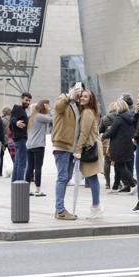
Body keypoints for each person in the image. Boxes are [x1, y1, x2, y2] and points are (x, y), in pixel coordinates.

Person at [52, 83, 83, 220]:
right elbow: (58, 107)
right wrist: (69, 97)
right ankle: (60, 210)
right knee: (62, 178)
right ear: (70, 89)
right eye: (77, 90)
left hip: (71, 148)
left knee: (66, 178)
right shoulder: (63, 99)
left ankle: (59, 209)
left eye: (81, 91)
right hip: (62, 146)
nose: (78, 93)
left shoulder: (76, 105)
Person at [74, 90, 104, 218]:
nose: (82, 98)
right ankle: (96, 206)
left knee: (92, 178)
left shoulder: (87, 112)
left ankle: (96, 207)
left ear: (90, 99)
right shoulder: (89, 111)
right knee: (91, 178)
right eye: (81, 96)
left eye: (86, 96)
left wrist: (78, 150)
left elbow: (84, 133)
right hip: (92, 146)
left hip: (90, 148)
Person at [102, 100, 137, 194]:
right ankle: (115, 187)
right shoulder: (130, 117)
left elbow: (111, 132)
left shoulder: (119, 118)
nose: (115, 109)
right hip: (128, 145)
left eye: (117, 107)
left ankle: (133, 184)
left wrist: (102, 136)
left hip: (118, 146)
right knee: (119, 166)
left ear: (119, 107)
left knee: (119, 165)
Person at [26, 100, 52, 196]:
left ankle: (26, 189)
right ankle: (38, 190)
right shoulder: (39, 116)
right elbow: (52, 119)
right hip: (38, 146)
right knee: (38, 167)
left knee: (30, 167)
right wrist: (49, 110)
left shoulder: (31, 117)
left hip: (29, 145)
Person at [10, 92, 32, 182]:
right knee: (22, 163)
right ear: (21, 99)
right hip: (21, 139)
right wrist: (16, 123)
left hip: (19, 139)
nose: (28, 102)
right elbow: (13, 119)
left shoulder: (21, 109)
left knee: (18, 162)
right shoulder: (18, 108)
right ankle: (19, 183)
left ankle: (15, 182)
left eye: (29, 101)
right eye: (26, 100)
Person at [0, 107, 12, 177]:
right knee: (13, 156)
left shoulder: (2, 120)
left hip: (3, 141)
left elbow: (0, 130)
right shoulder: (13, 119)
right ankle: (15, 170)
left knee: (1, 156)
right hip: (11, 141)